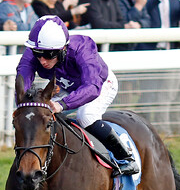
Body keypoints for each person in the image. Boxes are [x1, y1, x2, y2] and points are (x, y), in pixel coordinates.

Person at [16, 15, 140, 175]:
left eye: (48, 55)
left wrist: (63, 104)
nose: (42, 60)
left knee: (85, 116)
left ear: (63, 49)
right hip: (66, 85)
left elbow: (92, 86)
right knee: (41, 116)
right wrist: (24, 105)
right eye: (38, 54)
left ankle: (127, 158)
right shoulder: (35, 52)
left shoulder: (83, 48)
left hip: (100, 84)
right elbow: (23, 78)